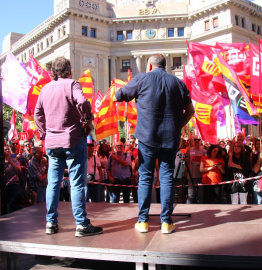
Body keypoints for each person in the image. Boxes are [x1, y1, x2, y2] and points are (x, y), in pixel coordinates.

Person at [113, 54, 194, 234]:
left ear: (149, 65)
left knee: (145, 177)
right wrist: (176, 127)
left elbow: (117, 97)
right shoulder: (178, 83)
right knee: (166, 177)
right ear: (165, 66)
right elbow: (190, 111)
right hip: (169, 139)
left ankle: (143, 221)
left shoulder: (141, 79)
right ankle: (166, 222)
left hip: (147, 139)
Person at [34, 56, 102, 237]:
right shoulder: (72, 84)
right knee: (77, 183)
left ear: (53, 71)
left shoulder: (45, 89)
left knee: (53, 183)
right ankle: (81, 224)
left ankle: (50, 223)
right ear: (69, 70)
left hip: (52, 143)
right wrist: (87, 120)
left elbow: (37, 114)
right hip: (73, 140)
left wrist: (44, 133)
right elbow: (82, 102)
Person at [186, 135, 206, 204]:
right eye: (195, 140)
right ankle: (187, 210)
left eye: (198, 139)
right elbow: (185, 161)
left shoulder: (203, 151)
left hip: (201, 176)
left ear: (201, 141)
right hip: (191, 176)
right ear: (192, 141)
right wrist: (187, 152)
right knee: (190, 195)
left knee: (200, 196)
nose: (196, 141)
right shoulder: (189, 150)